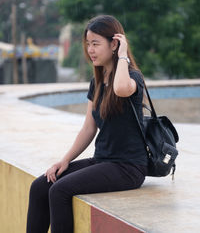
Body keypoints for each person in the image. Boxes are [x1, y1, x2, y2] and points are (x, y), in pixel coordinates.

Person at [26, 14, 148, 233]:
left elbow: (121, 90)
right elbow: (88, 128)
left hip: (129, 167)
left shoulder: (132, 77)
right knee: (40, 186)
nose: (90, 50)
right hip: (103, 160)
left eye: (96, 44)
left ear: (114, 43)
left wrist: (123, 56)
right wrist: (64, 161)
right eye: (88, 44)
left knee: (59, 190)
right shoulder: (98, 82)